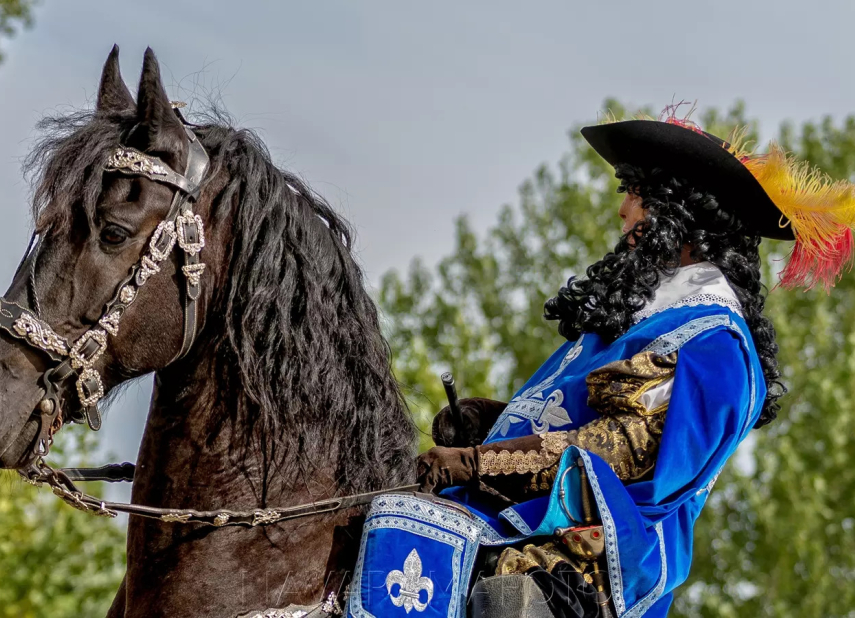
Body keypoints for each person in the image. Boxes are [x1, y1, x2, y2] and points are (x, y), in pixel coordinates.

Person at [346, 107, 855, 618]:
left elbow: (623, 450)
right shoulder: (642, 315)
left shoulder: (714, 341)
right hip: (515, 516)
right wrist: (491, 424)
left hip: (585, 562)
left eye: (635, 196)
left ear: (677, 215)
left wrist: (481, 461)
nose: (623, 212)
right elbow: (578, 421)